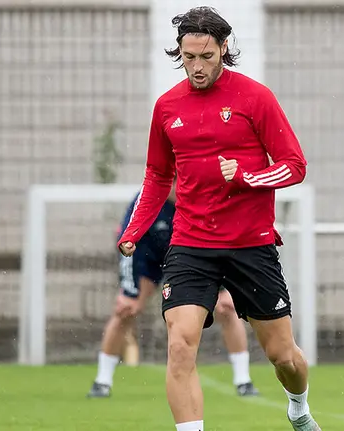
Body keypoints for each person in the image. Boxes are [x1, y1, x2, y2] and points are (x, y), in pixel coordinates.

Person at [117, 7, 318, 431]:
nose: (197, 67)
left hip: (251, 243)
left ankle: (298, 407)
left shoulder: (255, 97)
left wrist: (247, 176)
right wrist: (134, 230)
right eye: (189, 57)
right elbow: (157, 176)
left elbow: (294, 165)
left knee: (283, 356)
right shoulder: (167, 106)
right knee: (180, 345)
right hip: (191, 244)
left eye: (206, 56)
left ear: (223, 49)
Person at [87, 186, 260, 399]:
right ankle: (102, 381)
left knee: (226, 307)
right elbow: (127, 240)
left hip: (191, 259)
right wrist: (131, 290)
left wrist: (223, 286)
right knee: (126, 309)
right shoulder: (147, 198)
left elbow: (220, 240)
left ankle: (243, 380)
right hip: (149, 258)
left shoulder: (202, 197)